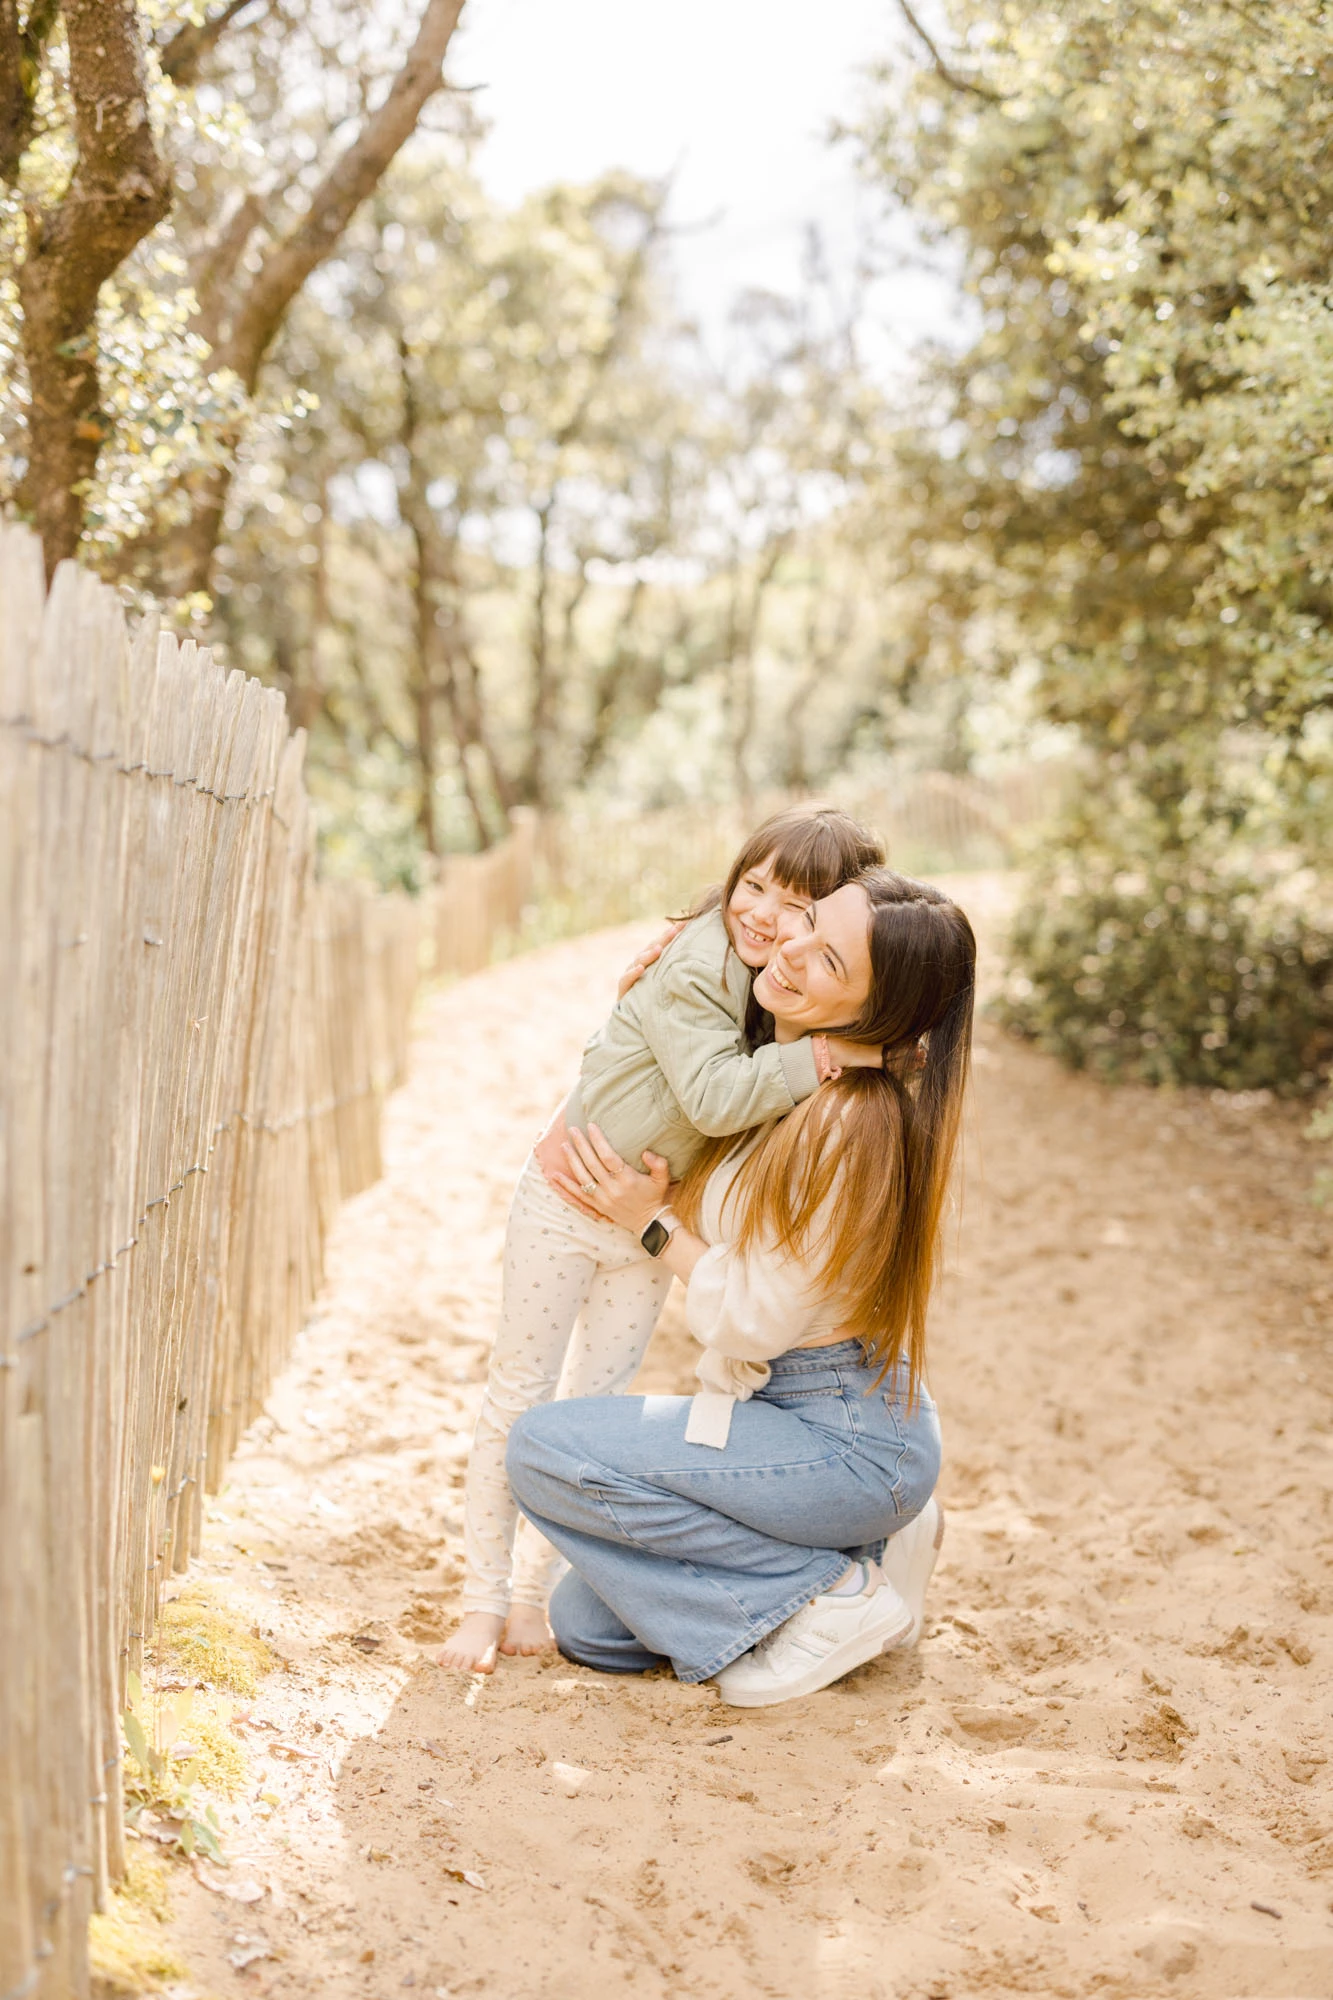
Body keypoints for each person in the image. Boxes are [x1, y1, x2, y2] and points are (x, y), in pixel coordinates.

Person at [505, 868, 975, 1707]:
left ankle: (837, 1595)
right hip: (788, 1420)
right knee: (587, 1621)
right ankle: (860, 1559)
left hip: (844, 1433)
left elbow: (755, 1320)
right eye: (804, 920)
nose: (788, 948)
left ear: (874, 1013)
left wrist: (655, 1226)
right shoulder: (784, 1072)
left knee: (544, 1448)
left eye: (828, 960)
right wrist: (643, 1007)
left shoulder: (847, 1122)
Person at [440, 806, 888, 1674]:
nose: (761, 914)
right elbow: (717, 1100)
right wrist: (825, 1060)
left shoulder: (765, 992)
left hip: (645, 1227)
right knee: (520, 1393)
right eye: (750, 884)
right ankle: (480, 1600)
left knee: (590, 1406)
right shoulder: (696, 964)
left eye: (795, 907)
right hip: (568, 1202)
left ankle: (532, 1597)